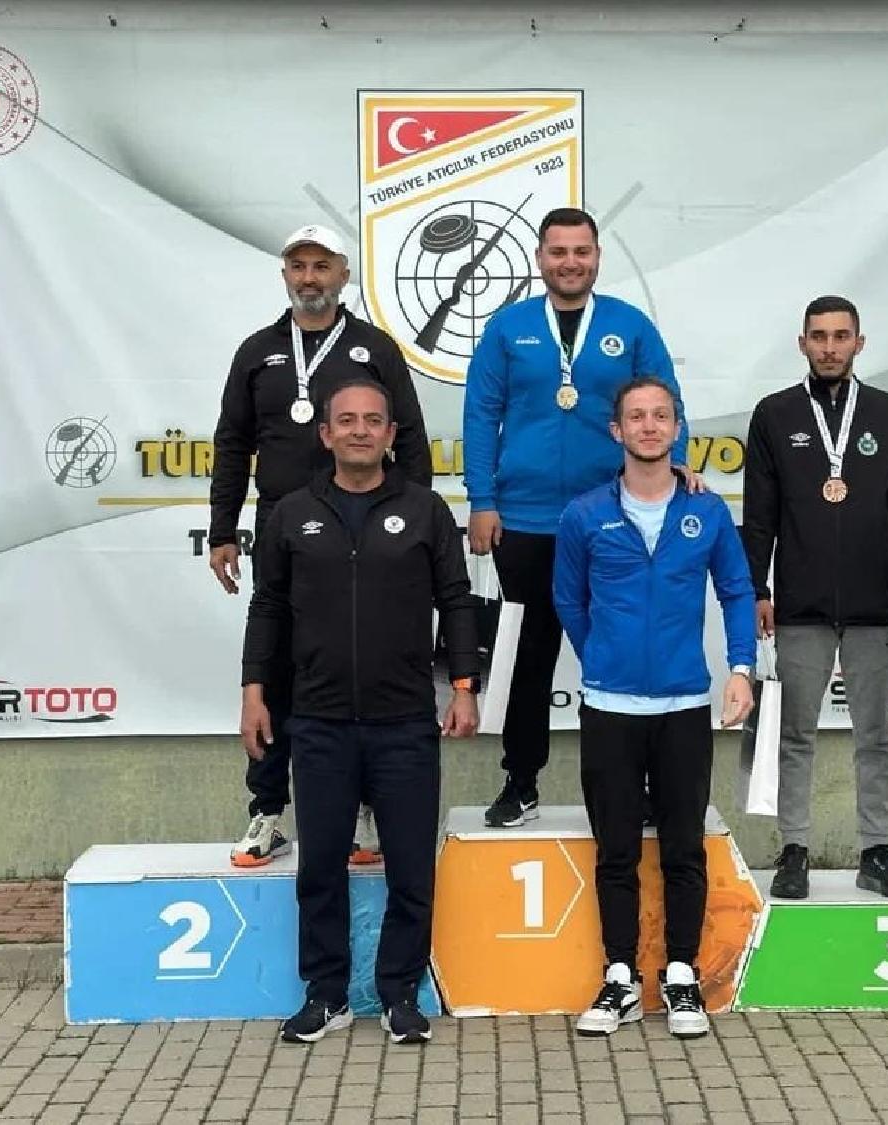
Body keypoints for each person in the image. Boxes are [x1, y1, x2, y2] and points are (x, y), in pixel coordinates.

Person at [241, 378, 478, 1045]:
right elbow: (267, 607)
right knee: (320, 868)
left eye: (373, 420)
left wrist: (463, 685)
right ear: (325, 434)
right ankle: (326, 995)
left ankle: (400, 993)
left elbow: (456, 600)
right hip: (317, 721)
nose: (360, 431)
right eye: (346, 421)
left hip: (404, 722)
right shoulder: (292, 513)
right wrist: (254, 690)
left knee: (410, 867)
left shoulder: (425, 510)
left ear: (391, 434)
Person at [463, 206, 696, 829]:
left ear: (597, 258)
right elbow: (481, 414)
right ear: (541, 258)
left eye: (582, 252)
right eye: (559, 251)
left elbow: (666, 402)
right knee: (528, 658)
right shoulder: (508, 328)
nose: (571, 263)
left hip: (612, 518)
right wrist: (482, 499)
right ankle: (520, 781)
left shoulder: (629, 325)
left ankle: (634, 787)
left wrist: (673, 467)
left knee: (621, 653)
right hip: (525, 520)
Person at [212, 224, 432, 867]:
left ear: (343, 274)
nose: (310, 277)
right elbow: (232, 443)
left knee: (361, 660)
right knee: (278, 664)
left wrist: (413, 522)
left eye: (322, 266)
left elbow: (410, 437)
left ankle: (363, 811)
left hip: (365, 529)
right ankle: (267, 810)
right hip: (285, 529)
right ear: (285, 274)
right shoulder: (258, 352)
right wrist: (223, 529)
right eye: (298, 266)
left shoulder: (374, 348)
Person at [553, 376, 756, 1040]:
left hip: (684, 705)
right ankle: (618, 976)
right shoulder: (584, 514)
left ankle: (681, 975)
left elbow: (736, 591)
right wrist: (602, 654)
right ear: (617, 430)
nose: (648, 426)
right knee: (615, 850)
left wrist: (741, 670)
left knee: (682, 850)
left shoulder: (707, 510)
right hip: (609, 707)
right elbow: (569, 599)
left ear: (676, 427)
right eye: (636, 416)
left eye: (660, 416)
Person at [740, 295, 888, 900]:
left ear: (858, 343)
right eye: (818, 337)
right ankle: (794, 850)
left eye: (841, 336)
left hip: (877, 606)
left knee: (875, 735)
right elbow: (759, 514)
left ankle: (876, 851)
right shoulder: (774, 414)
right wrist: (757, 588)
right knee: (795, 735)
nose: (829, 347)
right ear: (802, 343)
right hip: (801, 608)